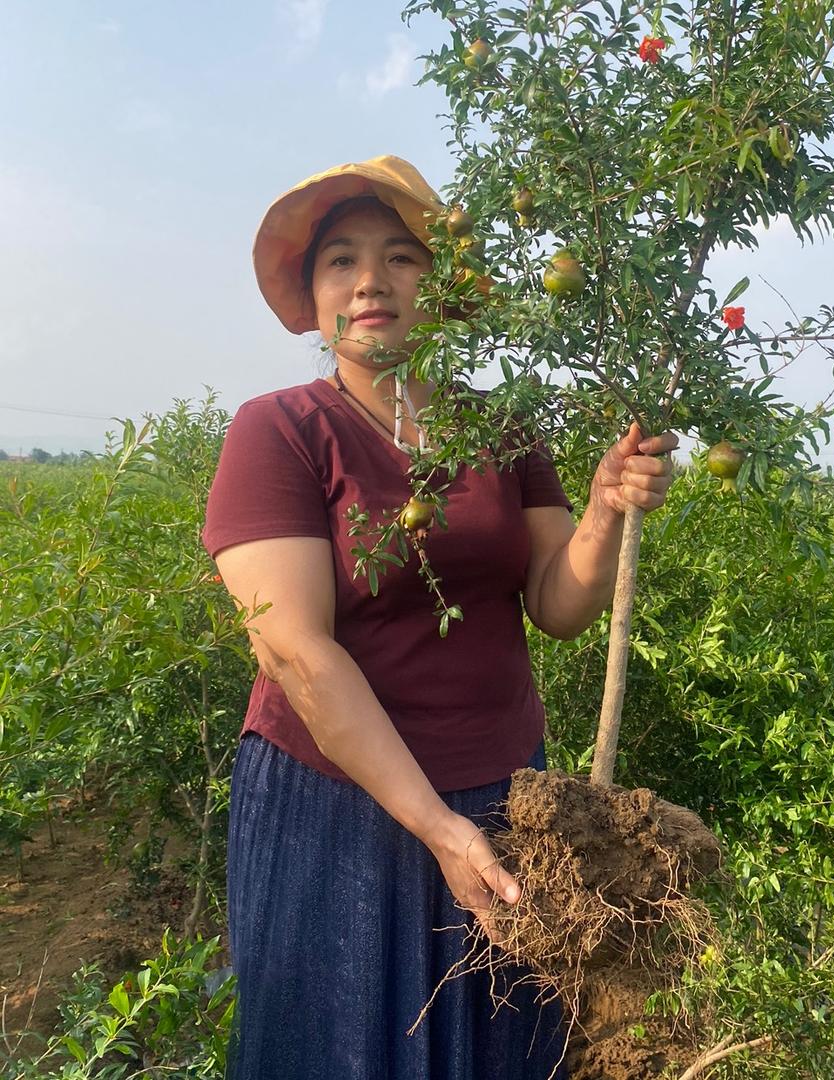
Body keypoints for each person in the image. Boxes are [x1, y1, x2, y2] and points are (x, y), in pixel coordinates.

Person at [202, 155, 678, 1079]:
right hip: (339, 804)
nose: (371, 280)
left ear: (441, 284)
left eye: (400, 257)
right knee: (342, 1049)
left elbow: (559, 604)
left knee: (498, 1048)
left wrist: (606, 508)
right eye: (340, 260)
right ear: (315, 296)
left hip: (505, 798)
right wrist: (434, 827)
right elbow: (298, 652)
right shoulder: (280, 431)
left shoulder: (501, 430)